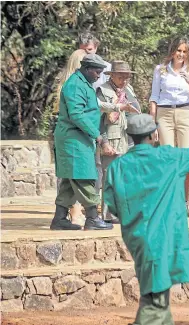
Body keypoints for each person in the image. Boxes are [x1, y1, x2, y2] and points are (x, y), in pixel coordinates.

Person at [103, 102, 189, 325]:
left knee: (155, 292)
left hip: (136, 238)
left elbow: (110, 204)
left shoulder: (118, 166)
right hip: (162, 238)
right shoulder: (169, 158)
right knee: (155, 299)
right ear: (153, 134)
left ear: (131, 136)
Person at [50, 54, 113, 231]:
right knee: (82, 177)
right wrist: (99, 137)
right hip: (73, 139)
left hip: (79, 138)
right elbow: (77, 115)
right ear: (86, 69)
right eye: (96, 72)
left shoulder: (84, 84)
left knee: (70, 181)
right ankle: (92, 218)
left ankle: (60, 219)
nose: (98, 76)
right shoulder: (75, 85)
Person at [149, 36, 189, 218]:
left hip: (185, 112)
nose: (181, 54)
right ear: (172, 51)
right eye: (178, 50)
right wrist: (152, 123)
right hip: (164, 114)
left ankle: (184, 203)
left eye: (184, 51)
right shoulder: (161, 70)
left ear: (188, 53)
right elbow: (154, 97)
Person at [96, 60, 141, 224]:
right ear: (112, 75)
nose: (124, 80)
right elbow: (98, 120)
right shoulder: (103, 91)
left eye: (127, 77)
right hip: (112, 139)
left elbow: (135, 112)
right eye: (121, 76)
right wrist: (104, 142)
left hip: (128, 139)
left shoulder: (128, 90)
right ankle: (108, 214)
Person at [78, 31, 112, 213]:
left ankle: (95, 202)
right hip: (82, 119)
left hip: (100, 117)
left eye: (90, 50)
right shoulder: (76, 67)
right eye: (83, 51)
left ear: (96, 48)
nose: (87, 54)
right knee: (85, 160)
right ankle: (82, 203)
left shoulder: (106, 68)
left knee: (99, 162)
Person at [52, 49, 88, 226]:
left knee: (69, 176)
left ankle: (62, 216)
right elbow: (78, 114)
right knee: (75, 175)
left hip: (67, 134)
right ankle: (76, 213)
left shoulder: (71, 83)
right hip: (73, 135)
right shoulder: (74, 85)